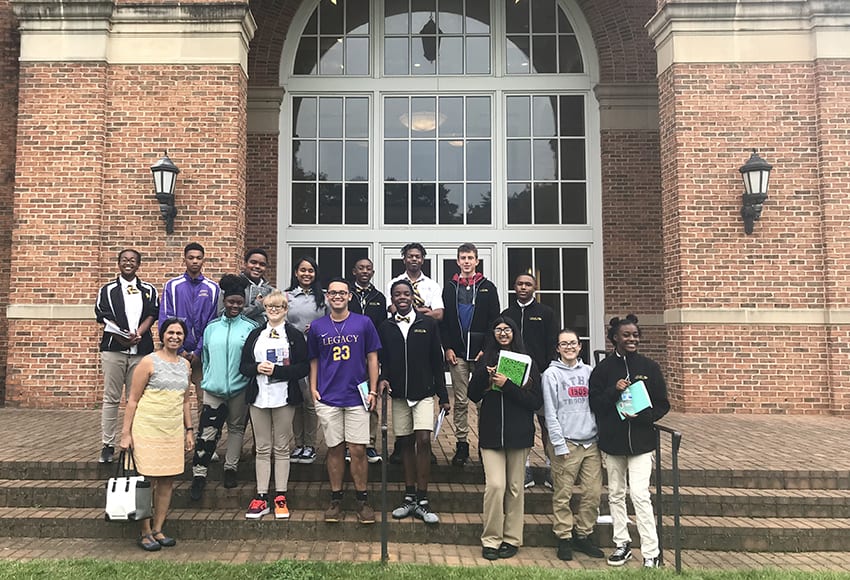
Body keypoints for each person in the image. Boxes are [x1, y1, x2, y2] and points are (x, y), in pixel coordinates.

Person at [589, 314, 670, 568]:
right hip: (613, 442)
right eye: (627, 335)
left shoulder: (649, 367)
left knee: (639, 494)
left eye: (635, 335)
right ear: (615, 338)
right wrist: (615, 391)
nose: (632, 339)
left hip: (642, 442)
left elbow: (662, 404)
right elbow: (595, 403)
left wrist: (645, 416)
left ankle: (651, 552)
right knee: (615, 493)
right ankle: (621, 543)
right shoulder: (602, 370)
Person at [307, 278, 381, 525]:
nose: (337, 296)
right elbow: (314, 359)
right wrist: (313, 387)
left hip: (357, 395)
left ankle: (362, 499)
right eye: (333, 292)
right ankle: (336, 498)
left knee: (358, 449)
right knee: (335, 448)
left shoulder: (364, 322)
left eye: (342, 292)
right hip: (329, 396)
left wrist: (373, 390)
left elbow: (372, 358)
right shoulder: (318, 327)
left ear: (350, 296)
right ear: (327, 296)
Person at [469, 316, 543, 561]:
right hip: (491, 432)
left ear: (515, 333)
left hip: (519, 433)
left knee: (514, 487)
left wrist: (507, 384)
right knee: (495, 486)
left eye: (507, 329)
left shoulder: (529, 362)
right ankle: (491, 538)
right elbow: (472, 395)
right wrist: (485, 377)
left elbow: (535, 401)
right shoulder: (486, 359)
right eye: (498, 329)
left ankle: (511, 538)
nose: (502, 333)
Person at [119, 317, 193, 552]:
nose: (175, 337)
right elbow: (132, 400)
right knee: (146, 481)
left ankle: (159, 528)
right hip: (147, 428)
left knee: (167, 481)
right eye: (170, 332)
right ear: (162, 335)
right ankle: (145, 531)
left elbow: (185, 400)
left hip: (171, 430)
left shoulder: (185, 365)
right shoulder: (148, 362)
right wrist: (125, 434)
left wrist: (189, 430)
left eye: (179, 333)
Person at [379, 280, 450, 524]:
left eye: (406, 294)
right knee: (406, 442)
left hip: (424, 393)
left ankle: (422, 499)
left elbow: (436, 362)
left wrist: (444, 395)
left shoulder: (427, 324)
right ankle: (409, 496)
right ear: (392, 299)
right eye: (397, 294)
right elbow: (384, 360)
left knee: (423, 440)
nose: (402, 297)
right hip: (398, 394)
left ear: (413, 297)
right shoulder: (386, 326)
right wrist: (383, 378)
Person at [240, 290, 310, 519]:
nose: (274, 311)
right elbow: (244, 366)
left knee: (281, 447)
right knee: (262, 447)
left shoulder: (294, 335)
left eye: (278, 307)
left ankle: (280, 495)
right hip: (259, 397)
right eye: (270, 307)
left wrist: (278, 371)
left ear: (285, 310)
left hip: (284, 397)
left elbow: (303, 367)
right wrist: (257, 368)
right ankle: (261, 496)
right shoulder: (255, 334)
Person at [189, 275, 259, 501]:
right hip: (214, 388)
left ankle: (231, 468)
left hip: (239, 388)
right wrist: (208, 378)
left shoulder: (251, 328)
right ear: (224, 301)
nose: (235, 306)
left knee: (237, 429)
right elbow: (207, 358)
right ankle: (199, 474)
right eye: (231, 302)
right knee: (207, 432)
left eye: (239, 302)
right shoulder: (211, 328)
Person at [542, 328, 604, 561]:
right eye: (564, 344)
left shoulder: (590, 372)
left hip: (591, 442)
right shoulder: (551, 375)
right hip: (566, 443)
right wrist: (558, 444)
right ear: (558, 348)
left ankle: (583, 534)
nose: (569, 347)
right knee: (563, 494)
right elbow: (550, 412)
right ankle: (564, 537)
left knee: (592, 493)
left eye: (573, 343)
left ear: (580, 346)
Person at [95, 249, 159, 464]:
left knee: (137, 399)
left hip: (140, 351)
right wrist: (123, 337)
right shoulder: (107, 289)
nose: (128, 263)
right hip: (114, 349)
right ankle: (107, 444)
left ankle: (132, 439)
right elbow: (102, 316)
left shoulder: (149, 289)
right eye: (124, 260)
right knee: (111, 398)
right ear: (118, 263)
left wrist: (139, 333)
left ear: (138, 264)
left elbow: (153, 313)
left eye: (133, 260)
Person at [441, 243, 500, 467]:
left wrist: (488, 348)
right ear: (457, 261)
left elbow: (495, 321)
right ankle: (462, 444)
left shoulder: (488, 287)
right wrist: (447, 347)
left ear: (477, 261)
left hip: (481, 354)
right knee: (462, 400)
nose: (467, 261)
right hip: (457, 354)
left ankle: (486, 444)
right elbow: (444, 323)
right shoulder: (450, 287)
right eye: (463, 258)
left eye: (470, 258)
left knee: (484, 400)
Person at [386, 243, 444, 464]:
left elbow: (439, 314)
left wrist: (414, 312)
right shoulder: (394, 283)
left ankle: (425, 452)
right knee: (401, 407)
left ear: (423, 259)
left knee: (422, 420)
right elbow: (392, 309)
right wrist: (423, 311)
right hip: (401, 337)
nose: (414, 259)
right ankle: (400, 448)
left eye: (418, 256)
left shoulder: (432, 285)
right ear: (404, 259)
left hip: (423, 338)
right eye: (410, 256)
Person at [501, 273, 557, 489]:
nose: (523, 287)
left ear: (535, 288)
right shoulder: (508, 313)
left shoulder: (546, 313)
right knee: (520, 422)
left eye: (528, 284)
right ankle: (522, 469)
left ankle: (552, 467)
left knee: (546, 422)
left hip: (541, 373)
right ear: (514, 286)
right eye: (520, 284)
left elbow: (553, 342)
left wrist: (547, 370)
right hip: (513, 371)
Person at [159, 242, 221, 420]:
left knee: (205, 400)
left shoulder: (212, 288)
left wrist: (198, 351)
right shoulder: (173, 286)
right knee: (175, 399)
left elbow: (212, 322)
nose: (195, 261)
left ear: (204, 260)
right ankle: (176, 442)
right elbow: (165, 320)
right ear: (184, 260)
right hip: (176, 354)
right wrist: (179, 350)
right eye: (191, 258)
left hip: (202, 355)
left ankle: (202, 443)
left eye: (198, 258)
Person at [285, 256, 328, 465]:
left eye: (310, 270)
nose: (306, 274)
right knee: (296, 400)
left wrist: (319, 328)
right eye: (302, 270)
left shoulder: (324, 298)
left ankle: (310, 445)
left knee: (310, 400)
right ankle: (299, 444)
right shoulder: (286, 296)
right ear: (296, 273)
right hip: (293, 354)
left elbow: (331, 322)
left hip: (315, 354)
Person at [348, 257, 387, 463]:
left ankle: (369, 444)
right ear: (354, 271)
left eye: (368, 268)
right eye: (361, 268)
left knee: (369, 398)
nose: (365, 271)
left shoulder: (379, 297)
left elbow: (382, 327)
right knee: (348, 398)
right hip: (348, 355)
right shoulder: (347, 294)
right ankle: (349, 445)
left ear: (372, 272)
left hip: (371, 356)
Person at [241, 248, 276, 324]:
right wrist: (259, 305)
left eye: (262, 264)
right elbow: (225, 314)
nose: (257, 266)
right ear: (245, 264)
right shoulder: (233, 286)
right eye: (253, 262)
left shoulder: (271, 291)